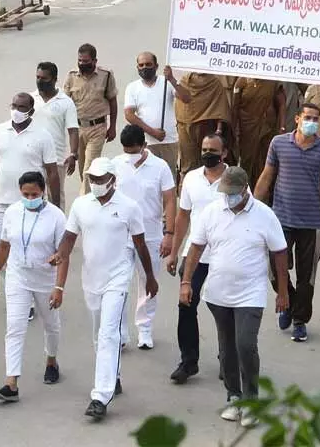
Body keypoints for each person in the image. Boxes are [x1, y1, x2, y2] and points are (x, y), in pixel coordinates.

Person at [48, 157, 158, 421]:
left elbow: (141, 245)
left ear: (113, 180)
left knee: (109, 333)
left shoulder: (130, 207)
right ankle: (114, 377)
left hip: (118, 278)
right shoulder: (80, 205)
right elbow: (69, 236)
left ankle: (100, 396)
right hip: (92, 278)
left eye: (100, 179)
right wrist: (60, 254)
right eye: (92, 179)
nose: (96, 184)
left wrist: (149, 278)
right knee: (99, 334)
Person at [180, 166, 289, 428]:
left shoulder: (265, 215)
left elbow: (280, 253)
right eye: (224, 192)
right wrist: (186, 281)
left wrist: (283, 292)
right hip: (219, 293)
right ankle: (233, 396)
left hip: (251, 293)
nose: (227, 197)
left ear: (245, 189)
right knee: (227, 348)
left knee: (245, 344)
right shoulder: (211, 213)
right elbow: (195, 248)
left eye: (232, 193)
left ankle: (251, 400)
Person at [254, 103, 320, 343]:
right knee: (272, 265)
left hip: (312, 222)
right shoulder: (279, 143)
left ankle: (300, 321)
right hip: (280, 219)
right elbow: (267, 176)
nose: (311, 121)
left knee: (306, 275)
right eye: (307, 117)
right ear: (297, 119)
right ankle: (286, 299)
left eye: (316, 118)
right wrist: (254, 207)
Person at [0, 171, 66, 402]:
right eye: (25, 194)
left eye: (34, 194)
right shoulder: (12, 212)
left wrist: (59, 287)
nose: (30, 197)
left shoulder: (56, 217)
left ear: (43, 192)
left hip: (45, 279)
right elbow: (3, 246)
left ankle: (51, 360)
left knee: (51, 324)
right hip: (17, 277)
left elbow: (64, 253)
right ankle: (11, 382)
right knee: (14, 327)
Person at [166, 134, 229, 384]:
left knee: (225, 311)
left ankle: (228, 359)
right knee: (186, 306)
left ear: (224, 153)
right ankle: (188, 361)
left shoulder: (234, 179)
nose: (207, 154)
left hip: (224, 257)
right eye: (204, 149)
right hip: (194, 255)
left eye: (213, 149)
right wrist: (173, 250)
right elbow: (183, 217)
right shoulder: (191, 178)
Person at [113, 125, 177, 350]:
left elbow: (170, 200)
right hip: (121, 235)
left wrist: (169, 234)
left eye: (134, 151)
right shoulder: (116, 165)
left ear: (144, 146)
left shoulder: (160, 167)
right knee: (119, 284)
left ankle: (145, 328)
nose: (130, 155)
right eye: (126, 151)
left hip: (150, 234)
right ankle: (119, 332)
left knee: (147, 281)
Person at [0, 93, 61, 259]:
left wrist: (55, 206)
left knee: (28, 247)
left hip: (31, 201)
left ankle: (19, 281)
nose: (16, 110)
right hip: (2, 202)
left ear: (31, 111)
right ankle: (11, 280)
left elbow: (52, 172)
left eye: (21, 107)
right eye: (14, 106)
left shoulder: (43, 135)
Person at [123, 52, 190, 183]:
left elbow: (187, 98)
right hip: (146, 143)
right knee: (147, 180)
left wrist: (172, 79)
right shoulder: (132, 87)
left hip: (168, 141)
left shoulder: (167, 83)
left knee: (168, 180)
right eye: (141, 65)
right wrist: (152, 132)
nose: (144, 68)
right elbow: (129, 115)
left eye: (148, 64)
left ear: (156, 66)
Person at [63, 43, 118, 193]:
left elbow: (113, 101)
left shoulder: (105, 75)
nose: (82, 64)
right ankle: (91, 196)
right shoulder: (71, 76)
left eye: (86, 61)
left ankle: (83, 204)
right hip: (78, 128)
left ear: (94, 61)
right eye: (80, 60)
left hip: (97, 128)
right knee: (82, 170)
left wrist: (112, 127)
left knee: (89, 167)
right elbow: (65, 103)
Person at [33, 62, 79, 204]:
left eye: (44, 78)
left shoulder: (66, 102)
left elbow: (73, 130)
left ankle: (58, 224)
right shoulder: (30, 99)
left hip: (56, 158)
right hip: (33, 156)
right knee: (34, 196)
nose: (40, 81)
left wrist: (73, 154)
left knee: (56, 197)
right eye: (38, 77)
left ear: (54, 79)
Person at [175, 73, 232, 178]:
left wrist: (219, 130)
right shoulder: (185, 80)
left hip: (206, 128)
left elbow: (220, 107)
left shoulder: (214, 82)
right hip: (186, 129)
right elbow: (182, 99)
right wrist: (171, 79)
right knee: (188, 166)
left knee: (209, 160)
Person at [232, 78, 286, 186]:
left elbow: (281, 104)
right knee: (247, 160)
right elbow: (235, 107)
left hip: (267, 129)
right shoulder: (241, 81)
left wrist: (282, 127)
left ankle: (263, 194)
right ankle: (246, 190)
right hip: (247, 129)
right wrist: (233, 130)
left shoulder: (272, 81)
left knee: (265, 162)